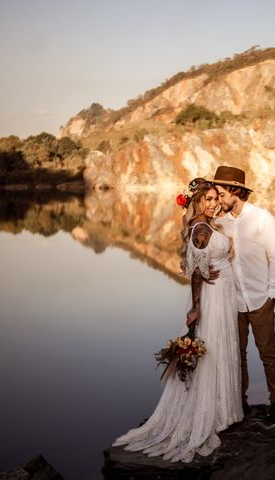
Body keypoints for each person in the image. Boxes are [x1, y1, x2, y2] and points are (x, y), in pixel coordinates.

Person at [112, 178, 243, 463]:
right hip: (211, 299)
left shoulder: (207, 224)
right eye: (207, 199)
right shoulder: (200, 229)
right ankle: (212, 412)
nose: (213, 203)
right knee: (213, 348)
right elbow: (196, 273)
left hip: (221, 293)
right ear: (196, 202)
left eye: (214, 198)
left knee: (221, 347)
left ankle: (223, 410)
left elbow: (201, 264)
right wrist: (196, 309)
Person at [212, 166, 275, 424]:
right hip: (233, 300)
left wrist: (271, 293)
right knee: (237, 354)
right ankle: (239, 403)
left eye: (221, 194)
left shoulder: (262, 218)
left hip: (259, 299)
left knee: (268, 353)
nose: (219, 199)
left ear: (235, 190)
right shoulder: (220, 223)